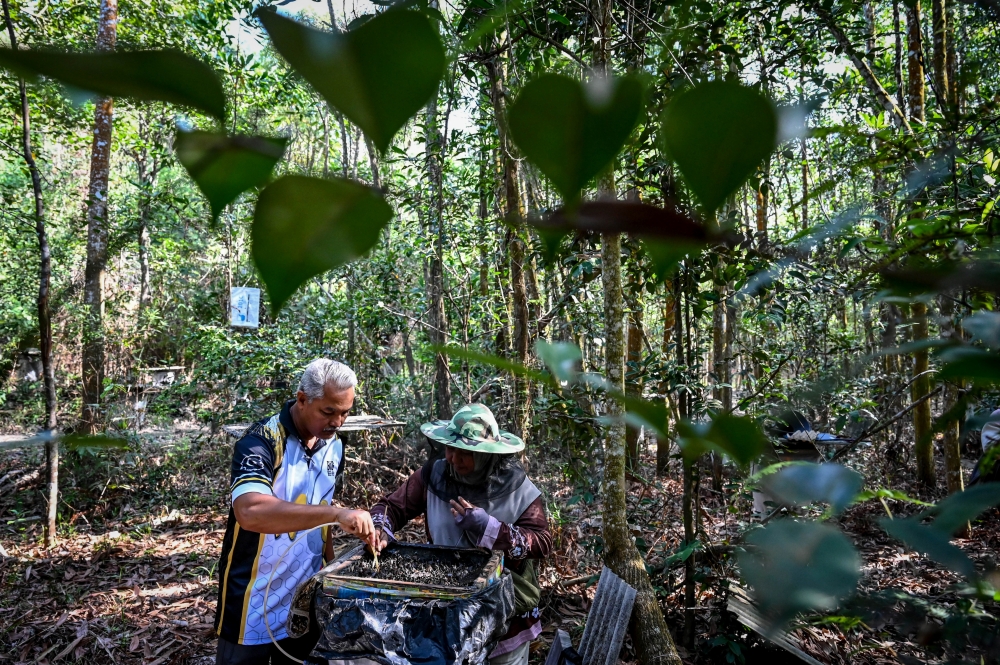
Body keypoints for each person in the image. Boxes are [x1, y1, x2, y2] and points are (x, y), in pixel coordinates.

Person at [215, 359, 377, 665]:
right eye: (328, 412)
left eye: (345, 412)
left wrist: (333, 570)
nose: (338, 421)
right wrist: (335, 514)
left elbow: (325, 513)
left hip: (304, 597)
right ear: (302, 399)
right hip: (252, 600)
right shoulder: (260, 442)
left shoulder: (334, 447)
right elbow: (250, 511)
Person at [370, 404, 552, 665]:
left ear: (486, 454)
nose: (454, 458)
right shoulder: (433, 475)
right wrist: (380, 528)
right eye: (449, 448)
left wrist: (490, 528)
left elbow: (542, 542)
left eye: (465, 452)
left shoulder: (520, 489)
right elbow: (392, 506)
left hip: (504, 619)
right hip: (446, 611)